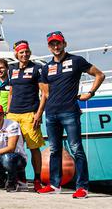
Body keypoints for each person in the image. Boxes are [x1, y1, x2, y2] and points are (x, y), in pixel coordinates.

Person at [37, 31, 105, 198]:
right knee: (54, 150)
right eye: (52, 44)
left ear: (64, 44)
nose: (56, 46)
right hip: (51, 114)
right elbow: (45, 94)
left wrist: (90, 93)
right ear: (49, 46)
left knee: (76, 149)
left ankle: (82, 187)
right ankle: (54, 184)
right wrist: (40, 113)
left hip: (69, 112)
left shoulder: (76, 61)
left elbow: (99, 75)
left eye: (58, 43)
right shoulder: (46, 68)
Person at [7, 40, 48, 191]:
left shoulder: (38, 68)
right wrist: (8, 113)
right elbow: (11, 93)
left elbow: (44, 93)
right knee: (13, 148)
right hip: (13, 115)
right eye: (21, 52)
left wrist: (39, 113)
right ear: (16, 54)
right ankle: (19, 178)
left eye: (27, 51)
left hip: (30, 113)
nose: (24, 54)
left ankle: (37, 179)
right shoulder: (12, 70)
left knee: (34, 148)